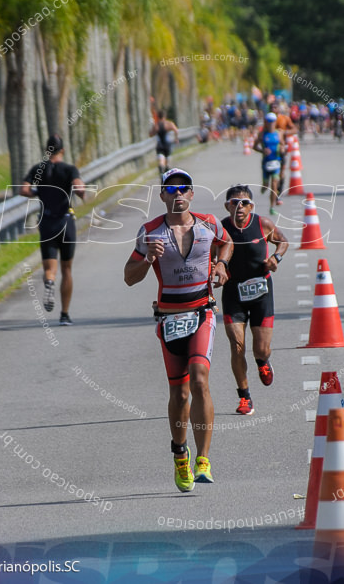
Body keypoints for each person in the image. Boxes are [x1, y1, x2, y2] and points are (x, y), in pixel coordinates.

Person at [124, 168, 233, 492]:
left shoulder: (209, 224)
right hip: (170, 317)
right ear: (162, 196)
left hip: (202, 312)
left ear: (192, 193)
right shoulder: (149, 232)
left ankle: (203, 459)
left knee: (200, 380)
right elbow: (129, 277)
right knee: (179, 392)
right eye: (171, 189)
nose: (178, 194)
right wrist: (147, 261)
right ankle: (179, 454)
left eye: (184, 188)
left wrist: (222, 264)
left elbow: (226, 244)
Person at [220, 185, 288, 415]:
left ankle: (262, 362)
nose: (239, 207)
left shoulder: (263, 224)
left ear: (251, 206)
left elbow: (283, 241)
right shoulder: (220, 229)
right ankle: (245, 397)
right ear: (226, 205)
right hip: (233, 293)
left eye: (245, 203)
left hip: (261, 293)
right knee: (237, 346)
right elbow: (209, 256)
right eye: (234, 202)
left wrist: (275, 257)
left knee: (261, 348)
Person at [20, 135, 87, 325]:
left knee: (50, 268)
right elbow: (78, 185)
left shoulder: (37, 169)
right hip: (66, 222)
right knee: (67, 269)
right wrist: (81, 193)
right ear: (62, 150)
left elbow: (23, 190)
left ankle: (49, 281)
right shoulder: (69, 169)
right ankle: (65, 314)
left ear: (46, 150)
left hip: (47, 223)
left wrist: (37, 192)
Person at [253, 113, 286, 216]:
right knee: (266, 185)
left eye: (272, 121)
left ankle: (272, 207)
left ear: (275, 122)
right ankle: (263, 187)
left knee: (274, 184)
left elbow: (283, 145)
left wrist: (282, 149)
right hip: (266, 163)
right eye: (268, 121)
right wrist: (263, 150)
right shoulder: (262, 134)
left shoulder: (278, 133)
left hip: (276, 162)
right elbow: (254, 146)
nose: (271, 123)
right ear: (266, 122)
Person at [150, 109, 179, 174]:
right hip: (167, 144)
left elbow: (151, 134)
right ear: (164, 116)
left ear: (158, 116)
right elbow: (176, 130)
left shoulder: (156, 125)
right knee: (167, 159)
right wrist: (176, 138)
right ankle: (167, 167)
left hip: (159, 145)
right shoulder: (169, 124)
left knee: (161, 157)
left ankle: (161, 166)